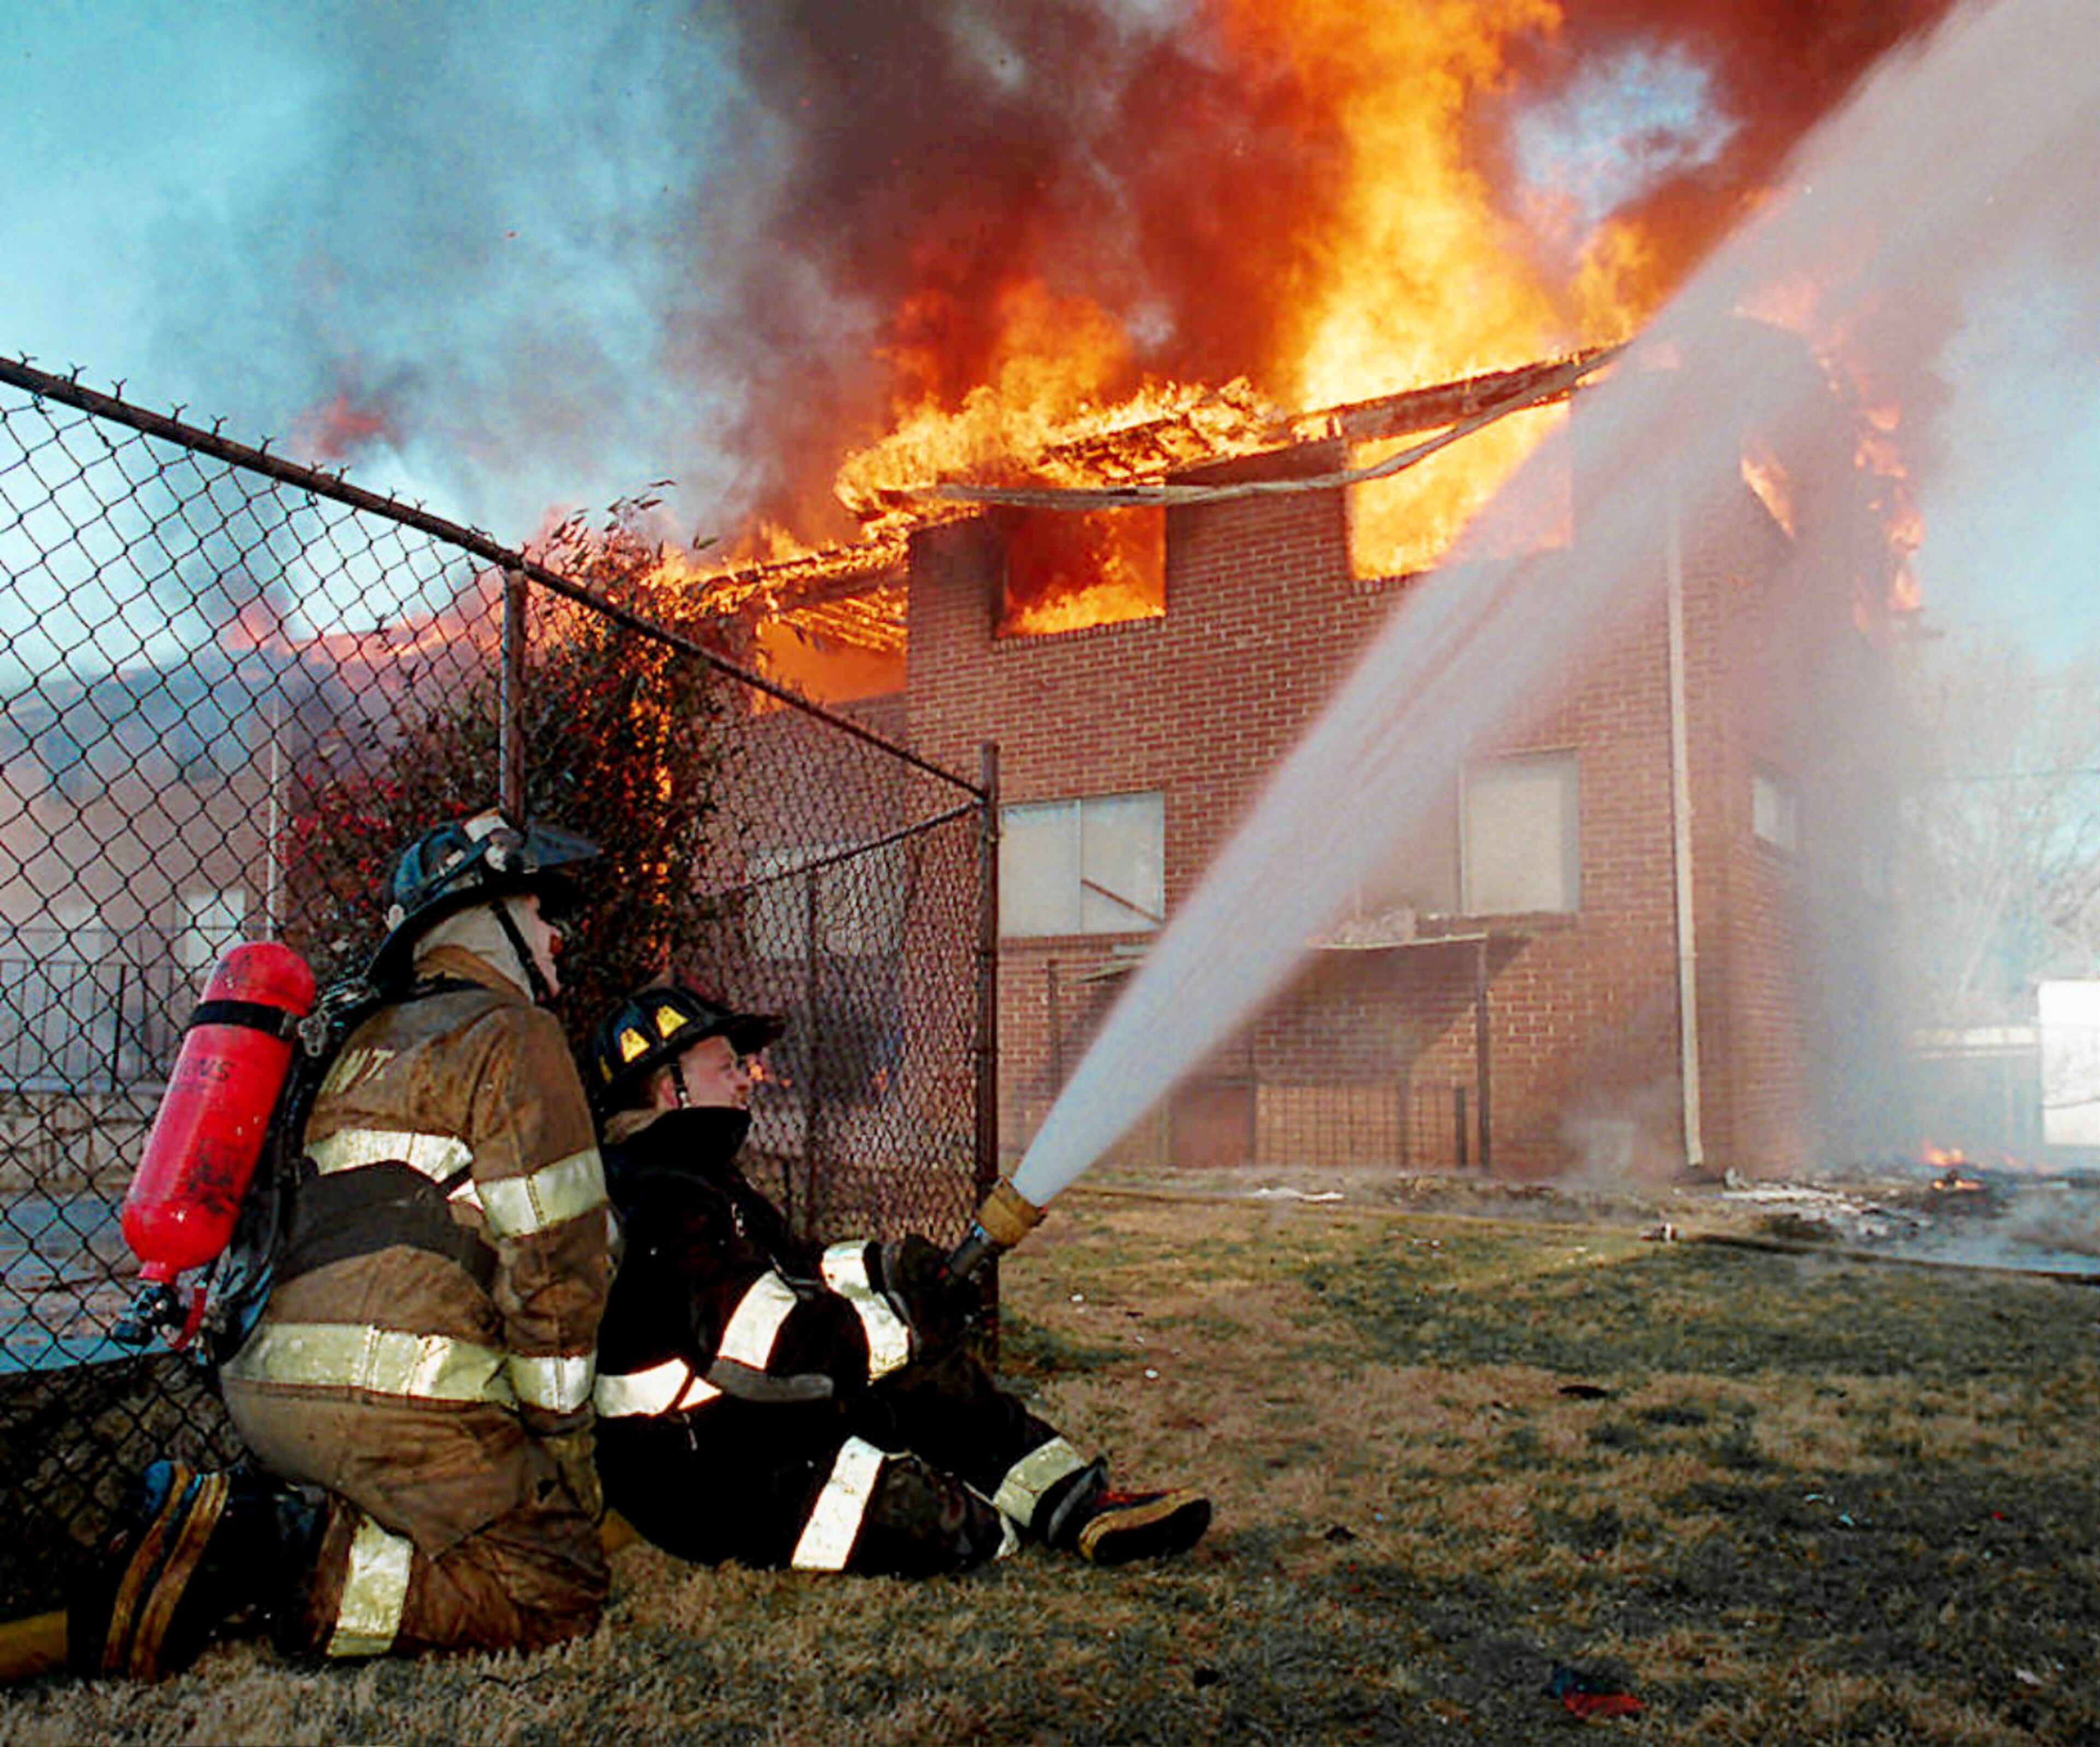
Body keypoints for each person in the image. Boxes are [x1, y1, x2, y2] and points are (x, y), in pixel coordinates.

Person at [72, 810, 613, 1678]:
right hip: (393, 1413)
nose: (559, 936)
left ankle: (249, 1515)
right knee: (556, 1584)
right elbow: (556, 1267)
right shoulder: (511, 1035)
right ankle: (268, 1550)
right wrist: (563, 1446)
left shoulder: (340, 1036)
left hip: (257, 1399)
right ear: (487, 913)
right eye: (544, 908)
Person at [586, 982, 1211, 1576]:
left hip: (749, 1427)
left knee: (937, 1381)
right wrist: (909, 1326)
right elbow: (767, 1343)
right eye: (725, 1066)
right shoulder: (658, 1198)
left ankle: (1080, 1507)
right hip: (701, 1472)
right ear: (670, 1089)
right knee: (945, 1525)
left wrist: (894, 1269)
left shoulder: (701, 1179)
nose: (746, 1079)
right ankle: (1002, 1519)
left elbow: (797, 1269)